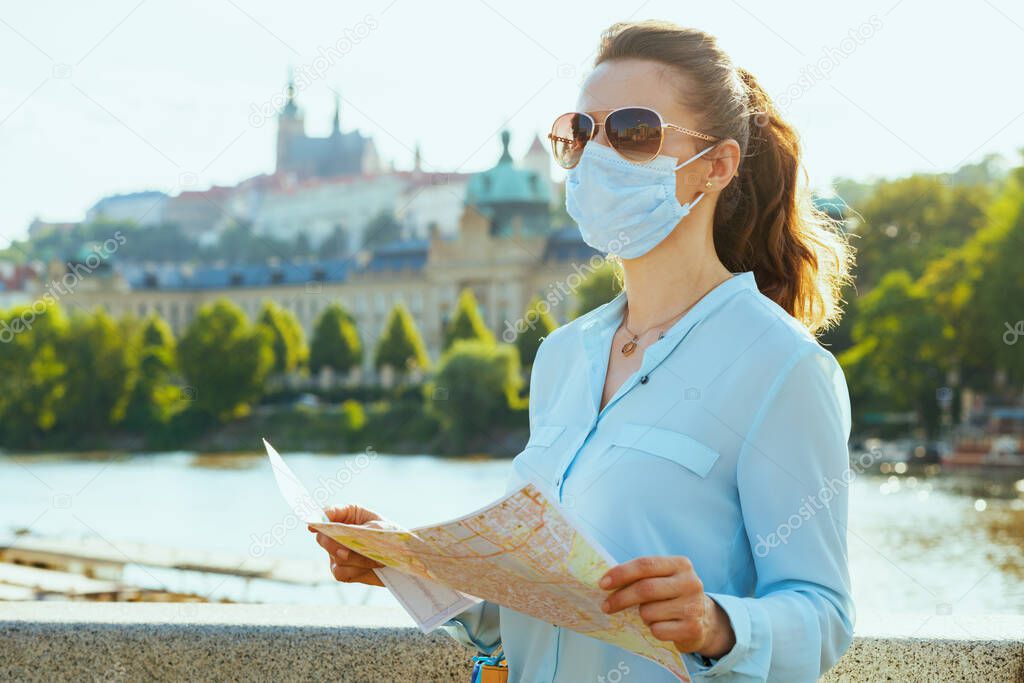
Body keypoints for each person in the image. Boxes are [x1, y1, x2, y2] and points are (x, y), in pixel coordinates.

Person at [310, 19, 855, 682]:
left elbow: (823, 613)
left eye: (632, 132)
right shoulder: (563, 356)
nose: (597, 155)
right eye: (581, 132)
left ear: (716, 165)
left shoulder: (783, 367)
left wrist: (717, 623)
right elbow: (545, 612)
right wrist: (412, 566)